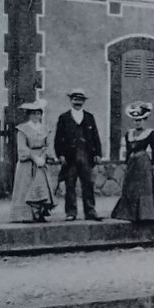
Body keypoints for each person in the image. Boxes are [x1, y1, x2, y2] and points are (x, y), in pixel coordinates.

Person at [111, 102, 154, 225]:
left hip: (143, 163)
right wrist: (126, 163)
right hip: (132, 163)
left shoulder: (150, 133)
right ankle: (128, 213)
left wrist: (153, 162)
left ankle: (146, 214)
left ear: (144, 120)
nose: (137, 122)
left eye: (140, 120)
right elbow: (129, 150)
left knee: (144, 188)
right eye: (135, 120)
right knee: (130, 187)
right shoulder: (129, 134)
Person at [53, 88, 103, 221]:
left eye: (80, 100)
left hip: (86, 156)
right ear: (71, 100)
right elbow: (58, 138)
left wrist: (98, 153)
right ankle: (71, 212)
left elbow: (95, 137)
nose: (77, 102)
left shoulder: (89, 117)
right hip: (70, 157)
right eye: (75, 99)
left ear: (83, 102)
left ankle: (90, 210)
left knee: (88, 184)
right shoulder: (64, 118)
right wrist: (60, 155)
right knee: (70, 184)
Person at [8, 99, 56, 223]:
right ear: (29, 115)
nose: (36, 116)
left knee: (41, 187)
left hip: (41, 162)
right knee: (26, 187)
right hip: (27, 164)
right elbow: (22, 147)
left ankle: (40, 213)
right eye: (33, 113)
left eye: (38, 113)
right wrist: (34, 157)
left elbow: (49, 145)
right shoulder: (23, 129)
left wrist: (44, 157)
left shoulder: (45, 129)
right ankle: (25, 215)